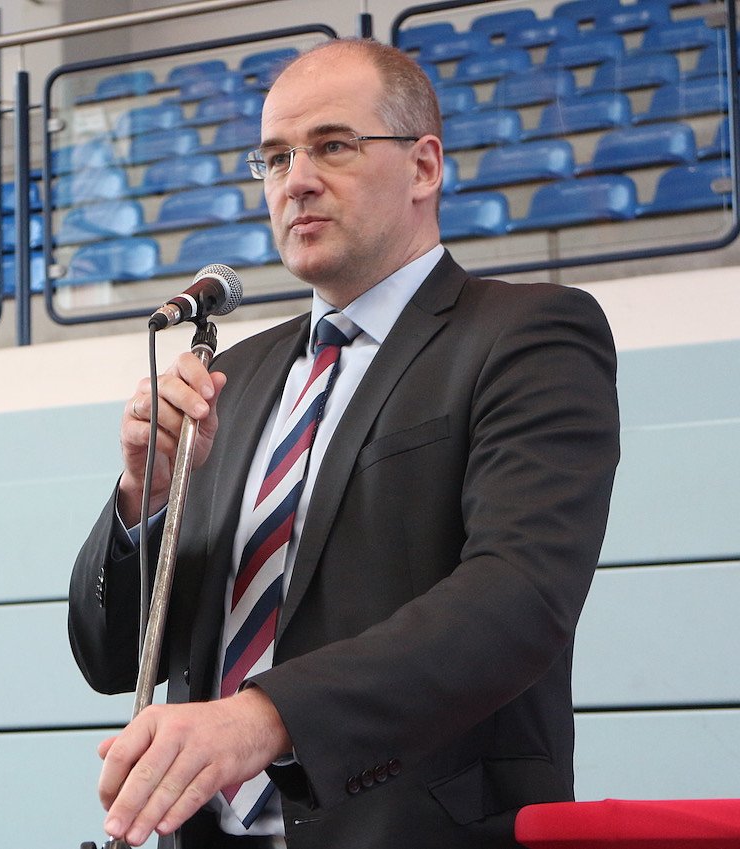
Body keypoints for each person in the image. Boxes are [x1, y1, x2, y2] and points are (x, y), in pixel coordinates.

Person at [67, 38, 621, 849]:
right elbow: (109, 657)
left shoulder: (527, 334)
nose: (296, 180)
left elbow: (518, 597)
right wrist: (142, 499)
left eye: (332, 145)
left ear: (424, 167)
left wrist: (266, 717)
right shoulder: (233, 376)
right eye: (274, 157)